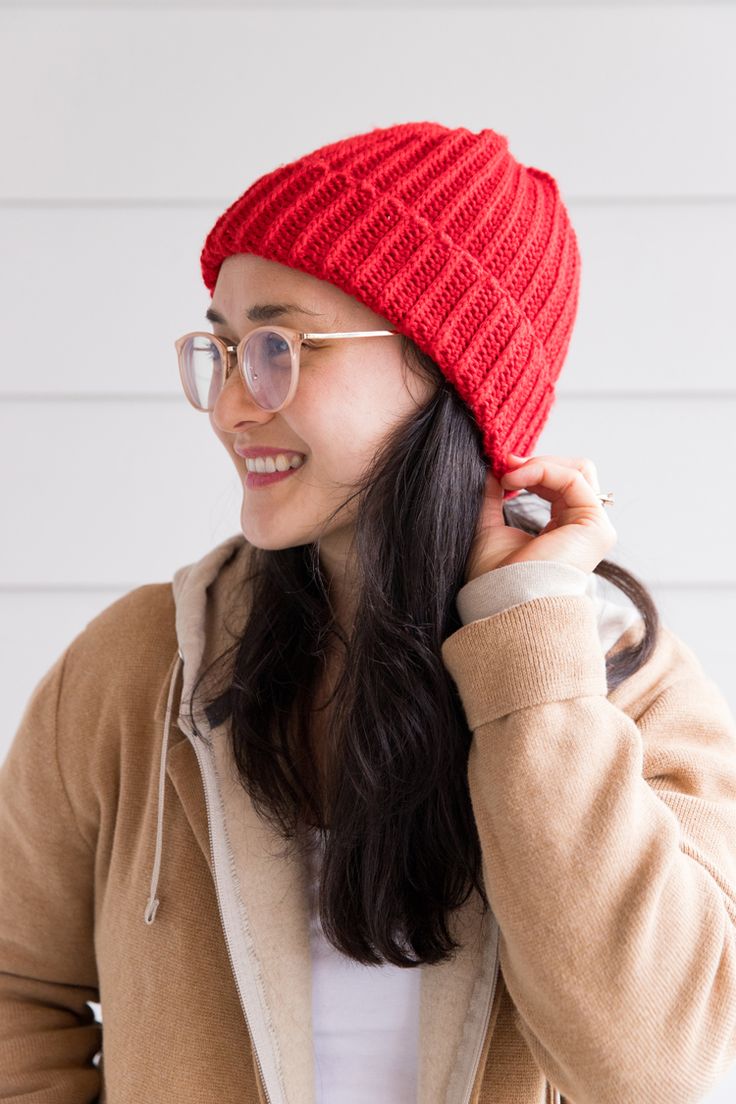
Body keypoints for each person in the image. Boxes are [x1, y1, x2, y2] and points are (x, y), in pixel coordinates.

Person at [2, 121, 736, 1104]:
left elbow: (657, 1069)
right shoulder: (142, 669)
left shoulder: (625, 686)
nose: (229, 407)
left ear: (445, 371)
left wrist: (530, 652)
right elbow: (14, 986)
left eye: (278, 347)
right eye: (221, 351)